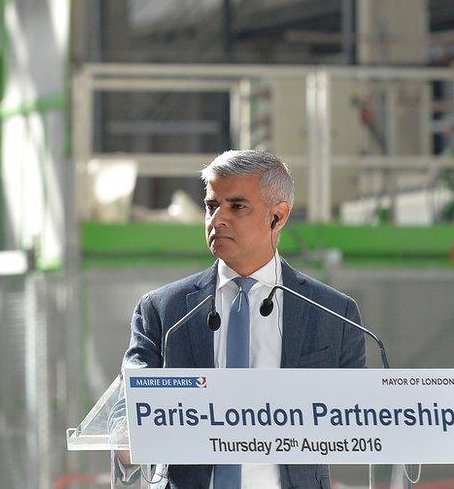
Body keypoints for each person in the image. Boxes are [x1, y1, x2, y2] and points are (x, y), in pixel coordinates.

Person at [112, 150, 365, 489]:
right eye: (211, 206)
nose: (217, 219)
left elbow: (360, 420)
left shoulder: (334, 314)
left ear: (277, 216)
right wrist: (128, 435)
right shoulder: (163, 311)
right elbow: (125, 413)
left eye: (237, 207)